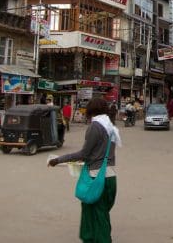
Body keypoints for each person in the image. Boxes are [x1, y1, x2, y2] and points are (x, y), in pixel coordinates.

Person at [48, 98, 122, 242]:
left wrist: (58, 160)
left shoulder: (96, 126)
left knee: (93, 214)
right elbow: (103, 155)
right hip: (110, 178)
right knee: (102, 214)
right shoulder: (111, 127)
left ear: (91, 111)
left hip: (96, 179)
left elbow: (84, 154)